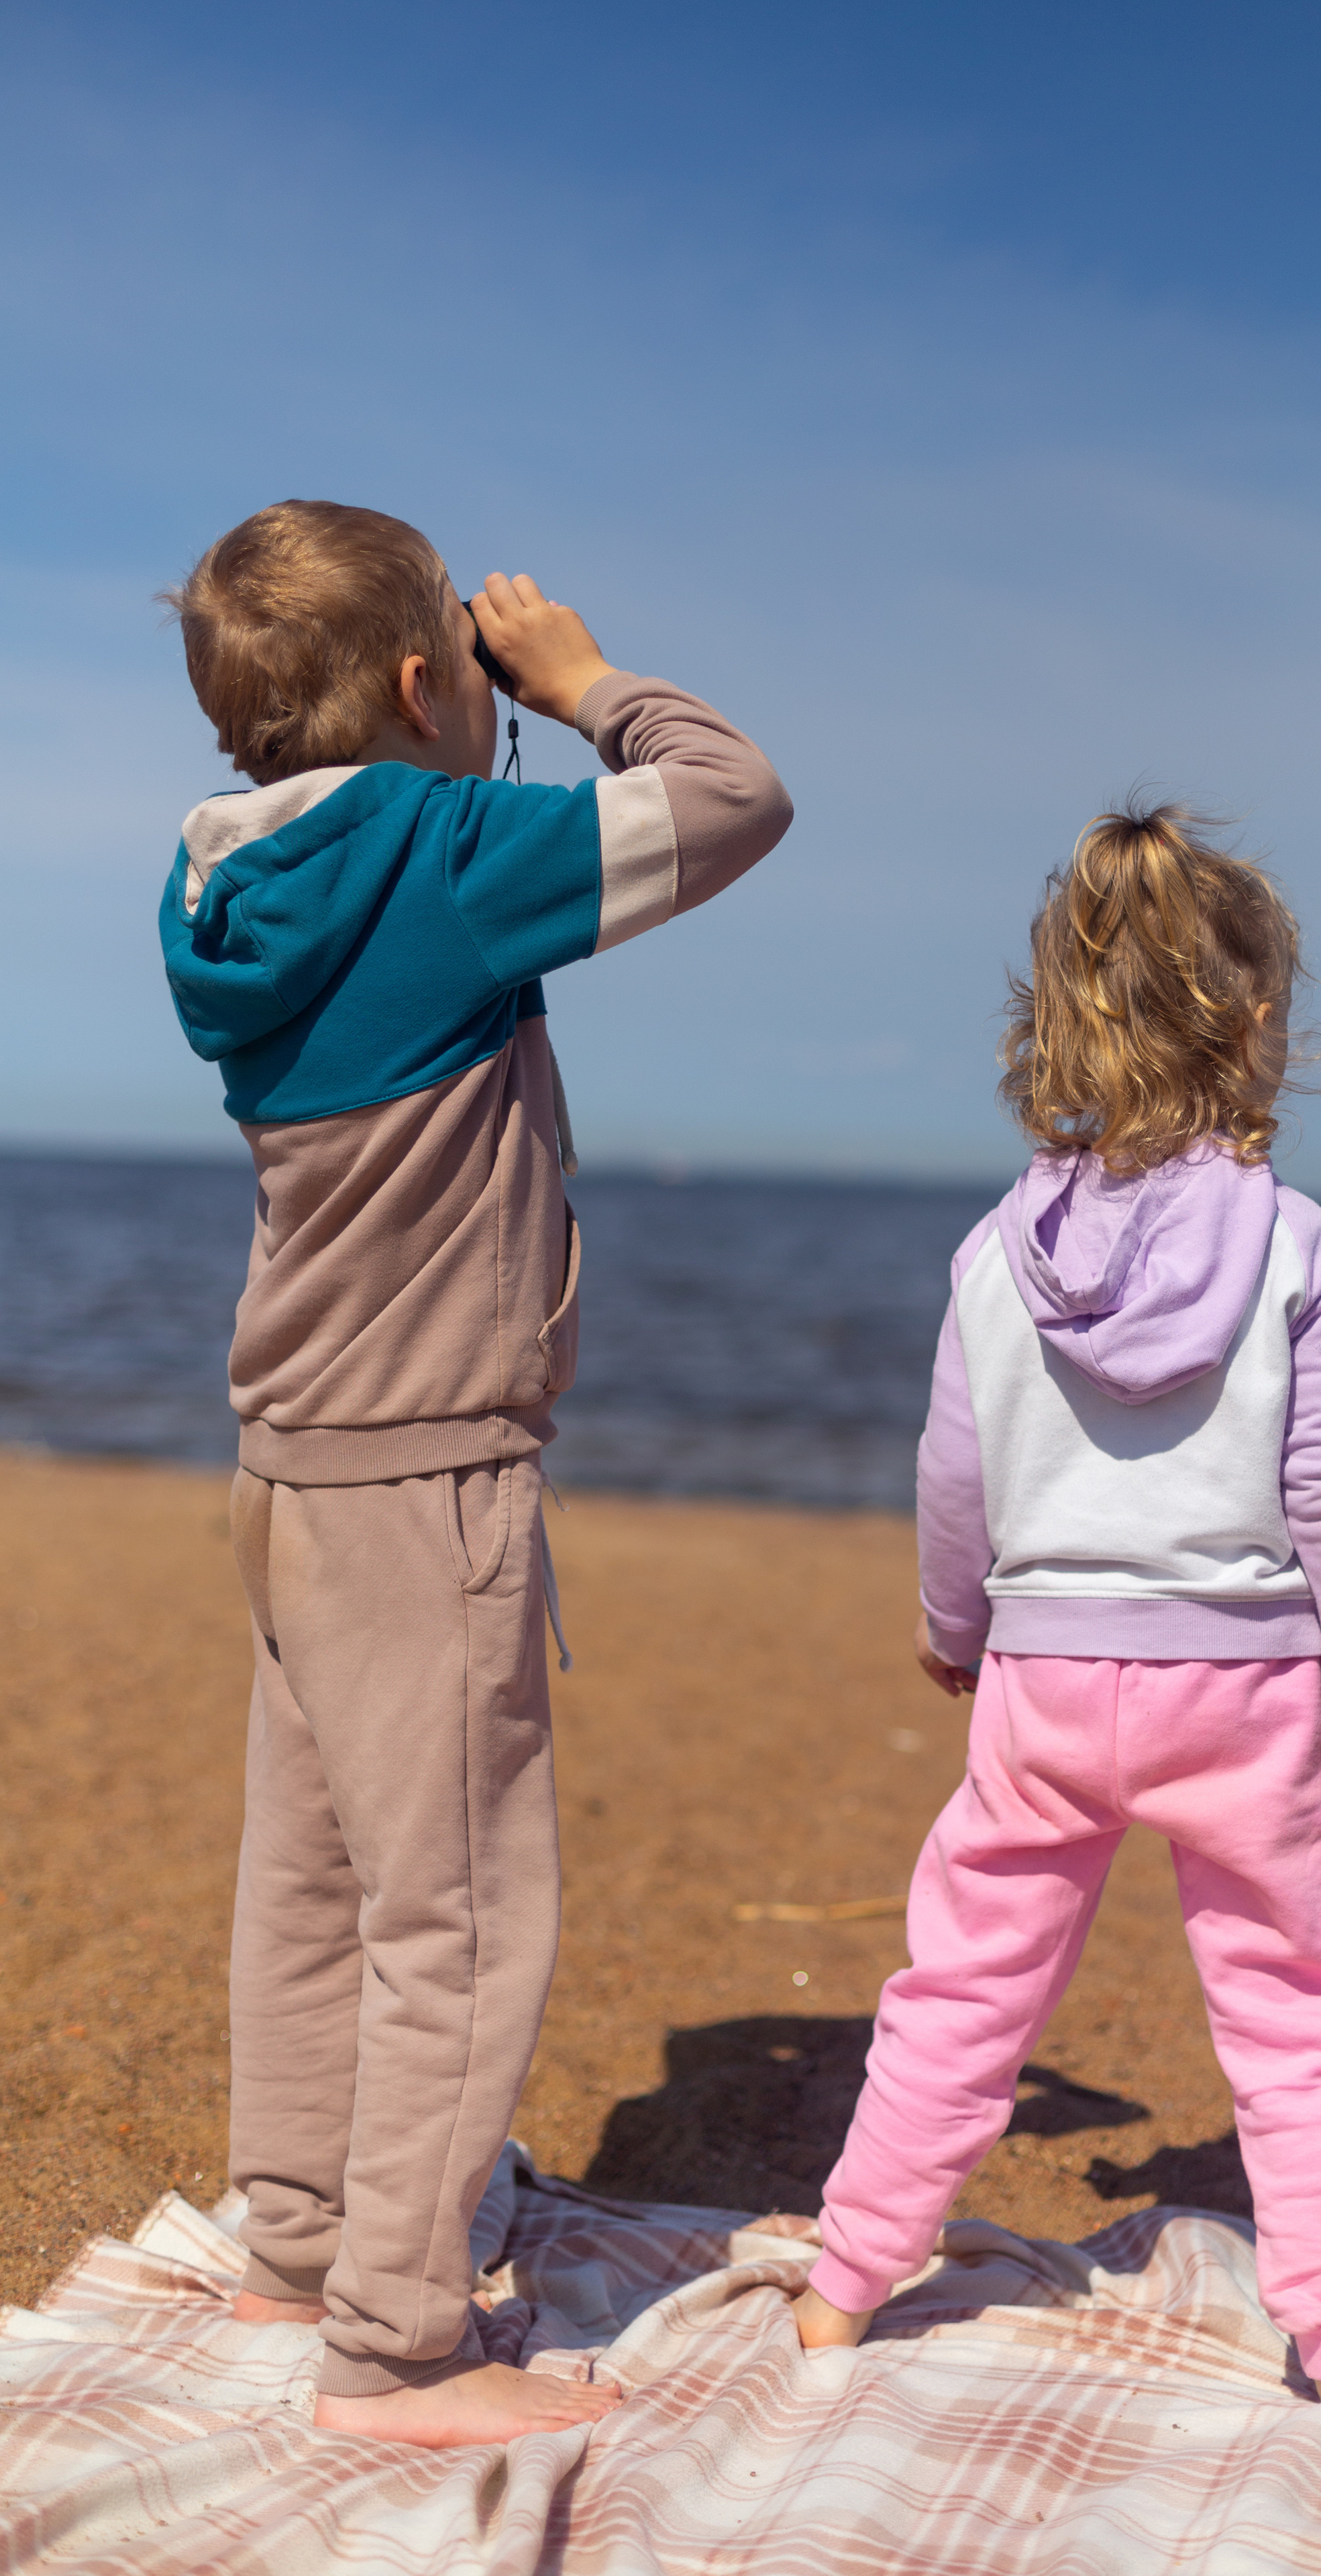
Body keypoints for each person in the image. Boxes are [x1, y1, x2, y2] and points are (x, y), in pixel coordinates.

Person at [158, 500, 792, 2449]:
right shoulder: (440, 855)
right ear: (438, 686)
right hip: (428, 1483)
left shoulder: (212, 895)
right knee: (458, 1915)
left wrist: (466, 700)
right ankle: (396, 2346)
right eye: (474, 669)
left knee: (314, 1880)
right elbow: (737, 797)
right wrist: (586, 683)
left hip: (290, 1467)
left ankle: (297, 2244)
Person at [793, 803, 1321, 2414]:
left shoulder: (990, 1256)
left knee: (962, 1986)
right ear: (1250, 1024)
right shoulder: (1296, 1247)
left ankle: (843, 2279)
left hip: (1039, 1683)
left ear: (1065, 1020)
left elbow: (955, 1472)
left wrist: (954, 1627)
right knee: (1300, 2008)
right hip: (1244, 1693)